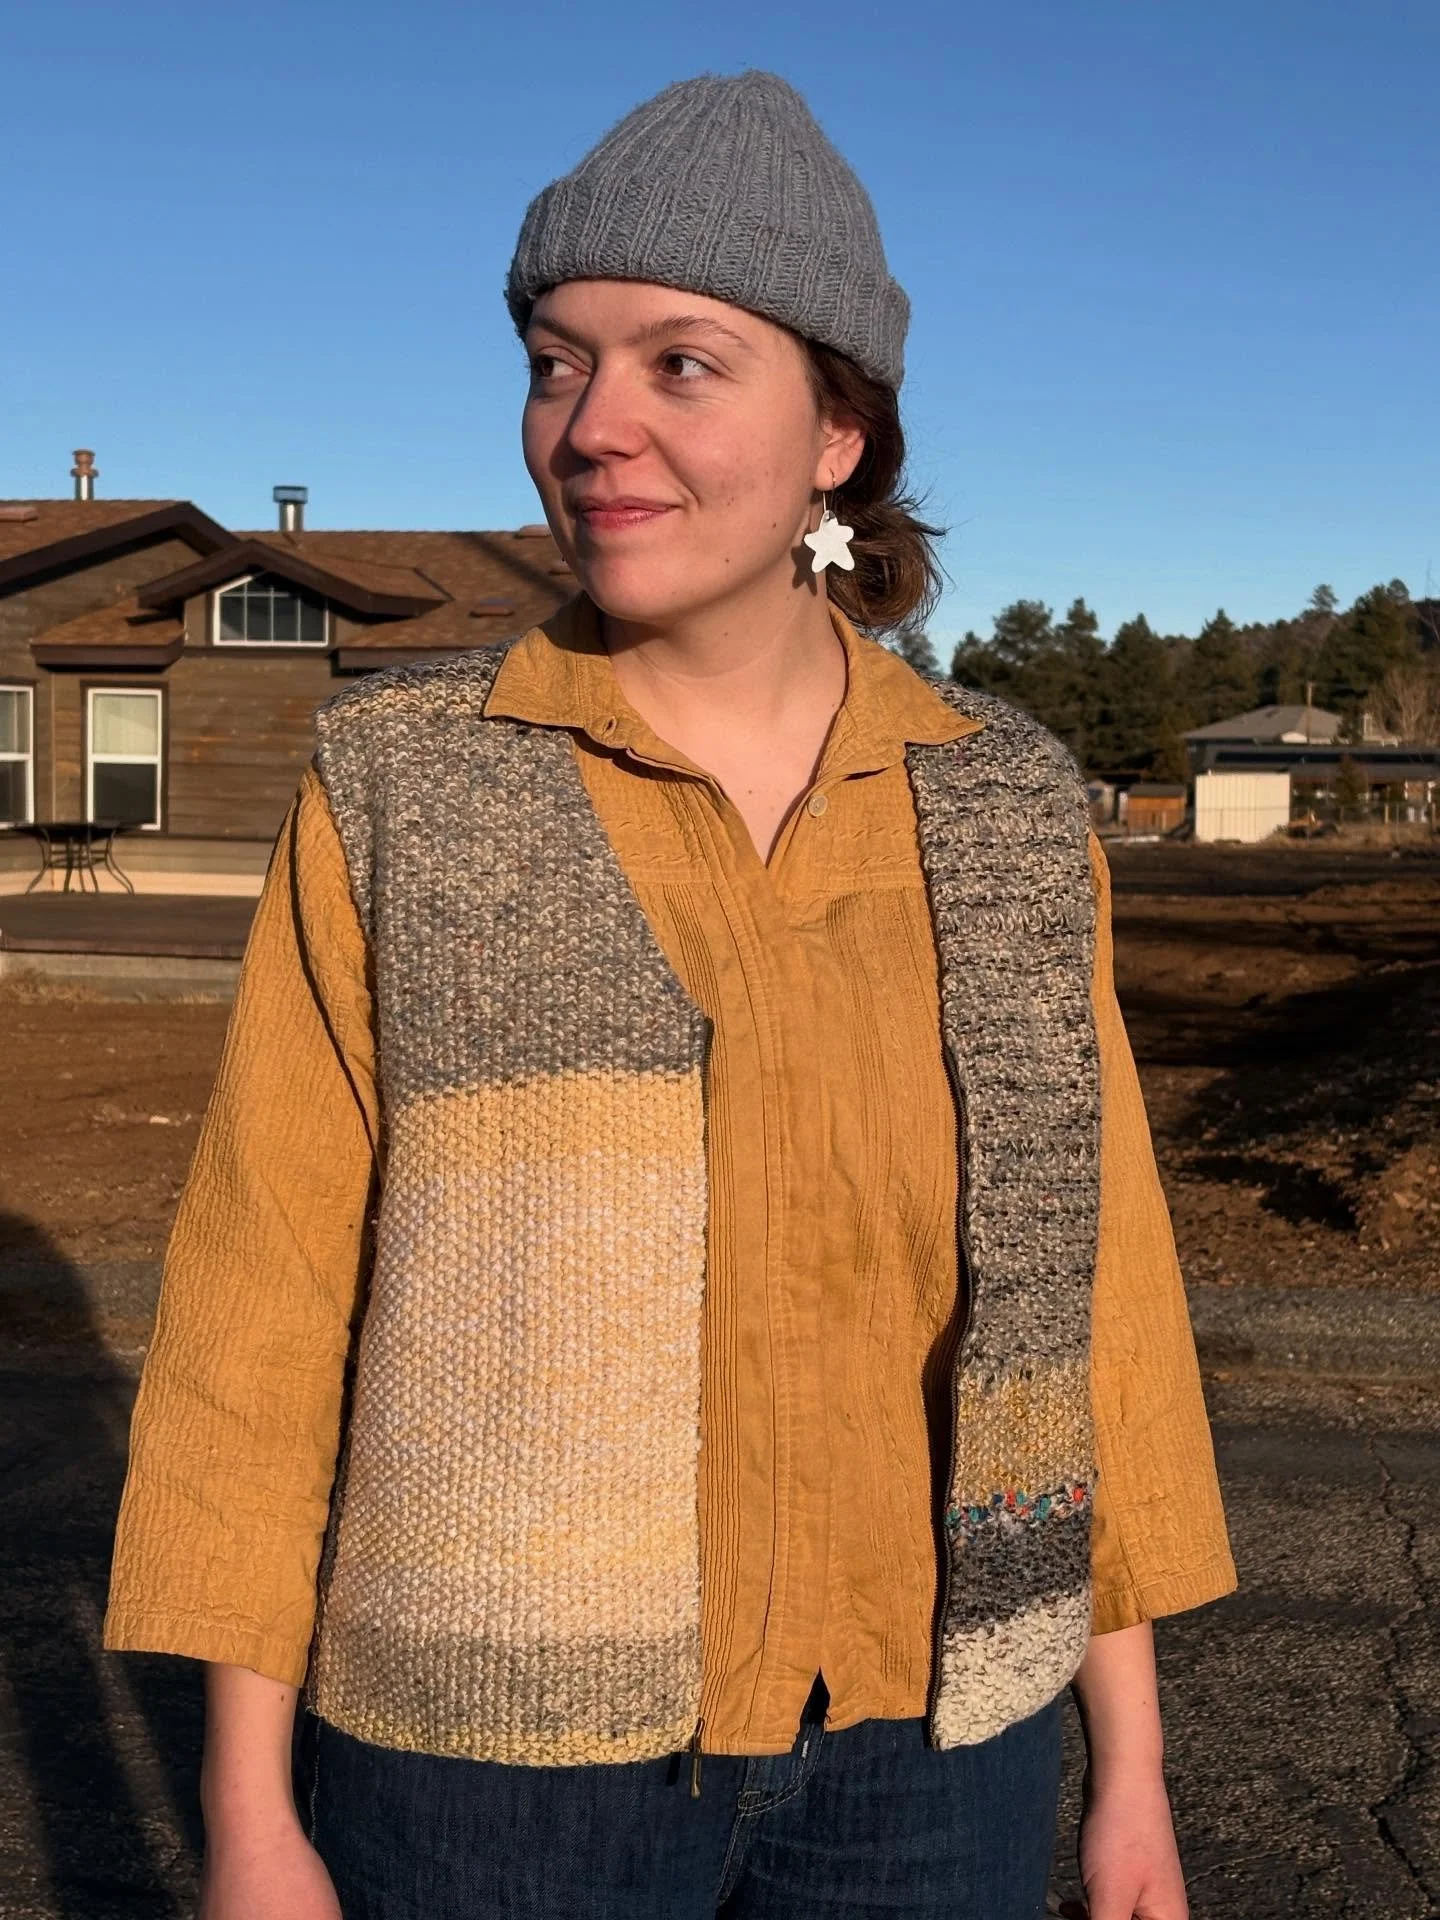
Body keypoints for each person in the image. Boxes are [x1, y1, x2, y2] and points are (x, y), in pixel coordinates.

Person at [105, 70, 1236, 1920]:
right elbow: (264, 1305)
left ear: (838, 437)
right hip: (487, 1780)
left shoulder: (1006, 801)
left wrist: (1134, 1784)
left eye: (681, 364)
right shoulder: (407, 786)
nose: (590, 427)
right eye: (559, 361)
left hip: (936, 1762)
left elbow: (1086, 1300)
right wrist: (251, 1819)